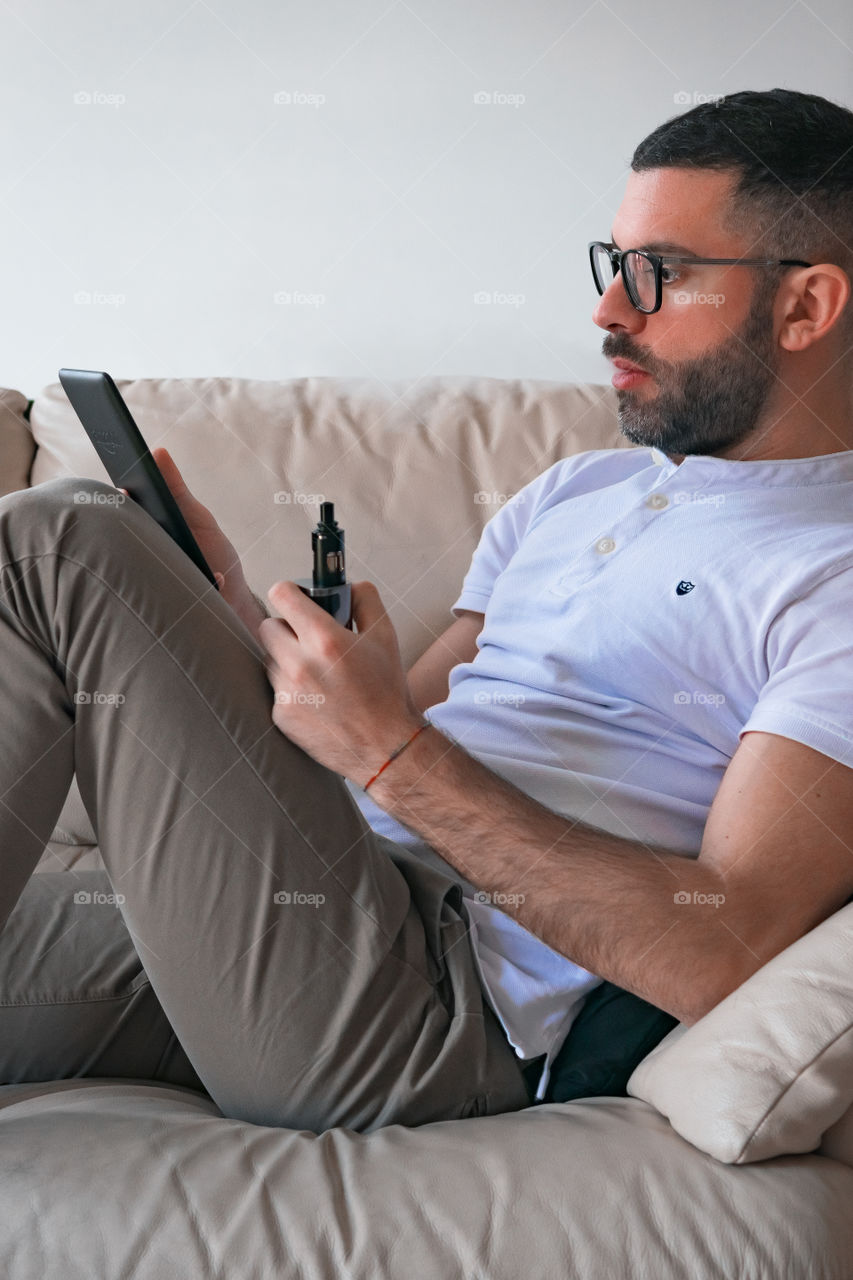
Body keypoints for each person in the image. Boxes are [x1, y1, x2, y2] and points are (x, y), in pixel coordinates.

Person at [0, 87, 851, 1133]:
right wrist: (217, 619)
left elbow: (722, 948)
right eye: (611, 263)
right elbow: (359, 737)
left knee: (54, 539)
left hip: (432, 1005)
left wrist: (391, 751)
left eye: (656, 276)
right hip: (310, 896)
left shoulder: (833, 576)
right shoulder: (575, 491)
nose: (606, 311)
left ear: (806, 306)